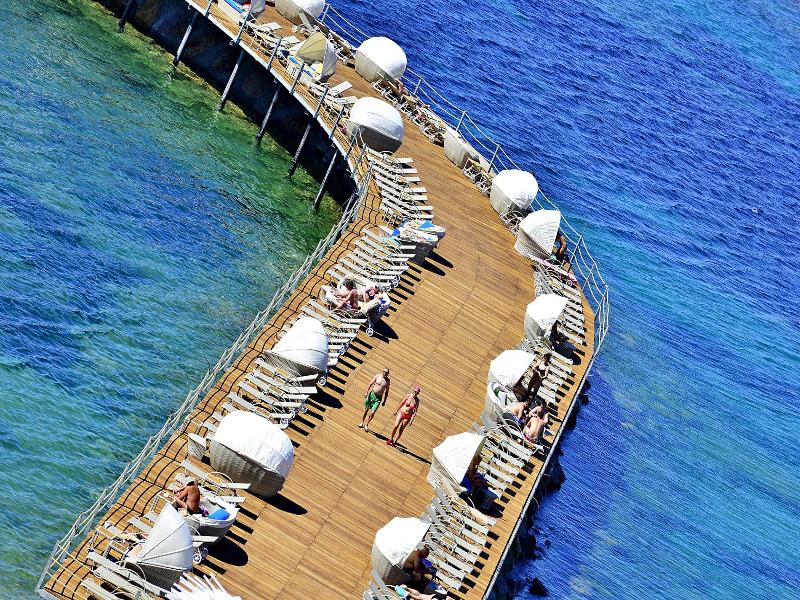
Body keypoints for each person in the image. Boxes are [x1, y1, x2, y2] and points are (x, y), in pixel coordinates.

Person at [358, 368, 390, 432]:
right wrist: (366, 392)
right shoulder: (378, 376)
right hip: (372, 394)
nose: (385, 373)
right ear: (382, 371)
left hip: (378, 398)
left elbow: (386, 392)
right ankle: (362, 422)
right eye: (384, 371)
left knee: (372, 412)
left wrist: (384, 401)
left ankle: (367, 424)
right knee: (366, 409)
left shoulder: (387, 381)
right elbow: (370, 384)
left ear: (388, 374)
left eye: (386, 372)